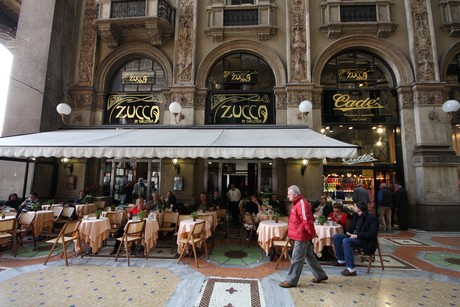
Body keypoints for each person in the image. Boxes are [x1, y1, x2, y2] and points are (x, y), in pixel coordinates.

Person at [279, 185, 328, 288]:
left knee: (296, 258)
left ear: (296, 194)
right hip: (300, 234)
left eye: (289, 194)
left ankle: (291, 280)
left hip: (301, 236)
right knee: (309, 256)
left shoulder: (301, 203)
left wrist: (312, 233)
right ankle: (320, 275)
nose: (288, 196)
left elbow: (307, 221)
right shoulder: (297, 203)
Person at [332, 201, 379, 276]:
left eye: (354, 206)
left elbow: (372, 234)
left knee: (346, 241)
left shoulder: (371, 218)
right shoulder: (355, 215)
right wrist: (348, 233)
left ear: (359, 208)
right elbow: (351, 228)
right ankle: (341, 260)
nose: (353, 207)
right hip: (354, 236)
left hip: (364, 240)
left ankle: (351, 269)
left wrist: (357, 236)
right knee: (336, 237)